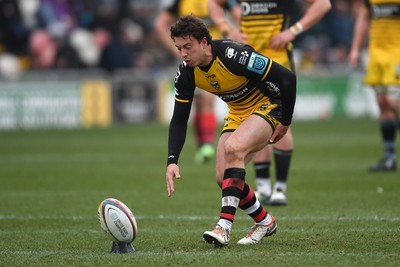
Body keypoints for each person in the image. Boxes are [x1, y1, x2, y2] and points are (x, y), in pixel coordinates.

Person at [165, 15, 296, 246]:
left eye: (188, 47)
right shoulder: (186, 73)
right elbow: (179, 119)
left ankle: (223, 227)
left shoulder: (234, 55)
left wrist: (285, 121)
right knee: (222, 177)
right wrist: (172, 160)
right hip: (238, 113)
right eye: (179, 48)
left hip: (270, 104)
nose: (183, 54)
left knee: (234, 148)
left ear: (204, 42)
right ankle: (264, 221)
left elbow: (287, 77)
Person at [208, 0, 331, 205]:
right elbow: (213, 3)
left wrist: (293, 31)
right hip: (247, 60)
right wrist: (226, 29)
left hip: (277, 59)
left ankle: (280, 188)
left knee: (280, 121)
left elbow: (323, 4)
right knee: (254, 120)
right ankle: (264, 187)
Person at [155, 0, 241, 164]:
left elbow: (239, 15)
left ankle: (207, 144)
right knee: (197, 102)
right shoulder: (180, 2)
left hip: (214, 56)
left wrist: (233, 35)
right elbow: (160, 24)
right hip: (192, 57)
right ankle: (202, 144)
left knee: (207, 99)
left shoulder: (217, 2)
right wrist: (176, 49)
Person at [349, 0, 399, 172]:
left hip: (397, 52)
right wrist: (355, 48)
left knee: (392, 101)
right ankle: (389, 157)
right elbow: (363, 17)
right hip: (376, 53)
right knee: (382, 102)